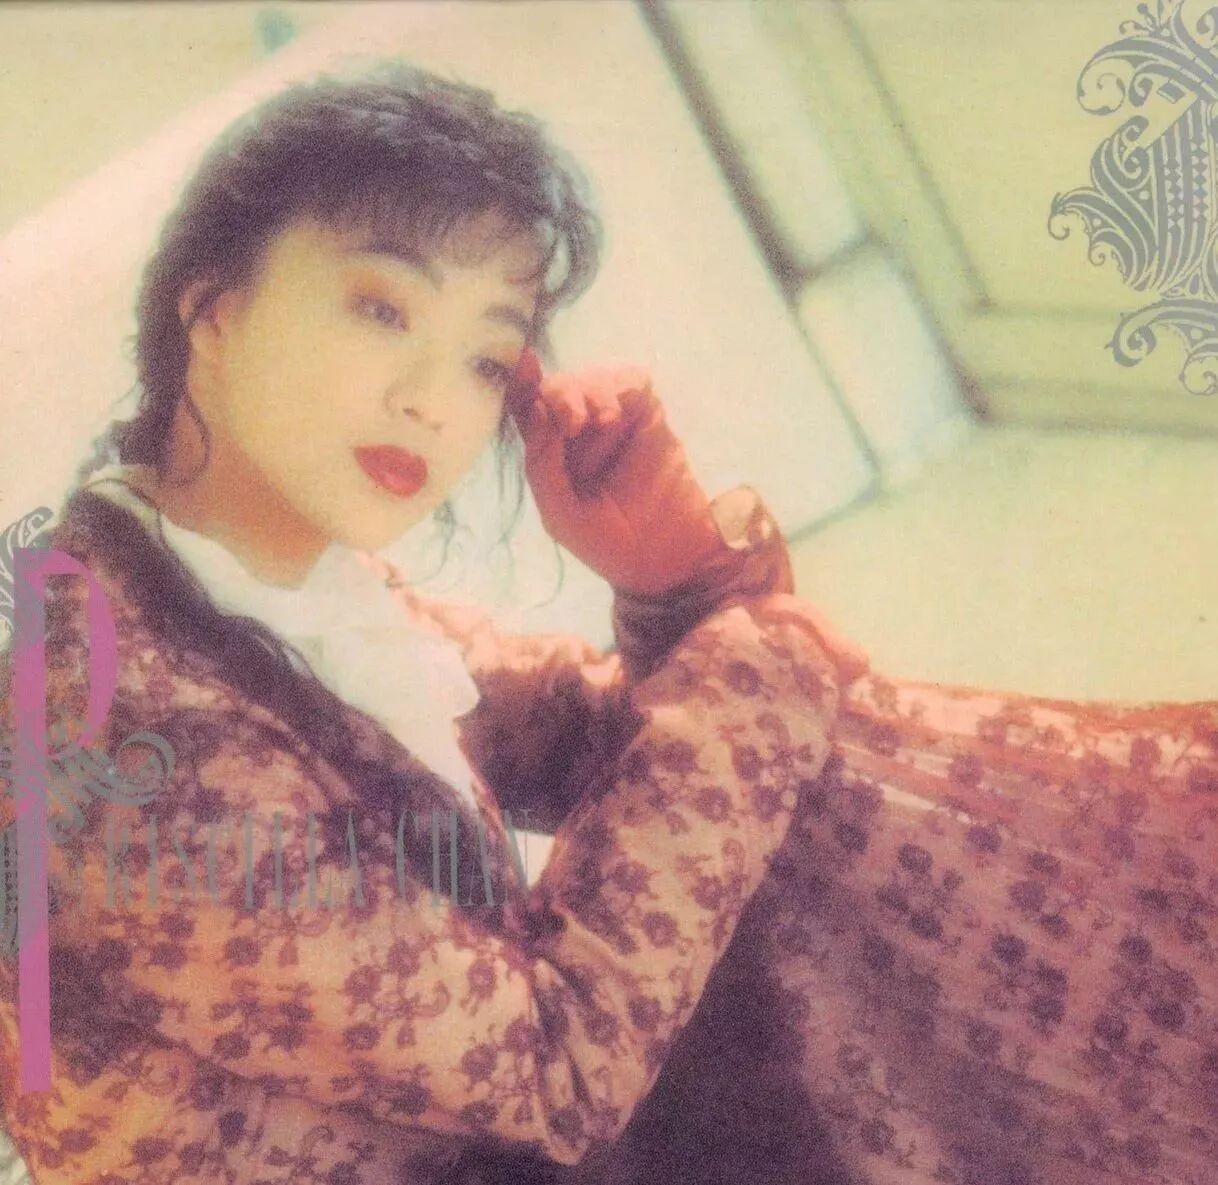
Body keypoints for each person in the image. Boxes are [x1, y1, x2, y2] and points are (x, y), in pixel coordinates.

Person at [0, 61, 849, 1184]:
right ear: (212, 308)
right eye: (382, 309)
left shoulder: (241, 574)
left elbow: (595, 749)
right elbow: (558, 1073)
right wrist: (752, 651)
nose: (433, 400)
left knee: (851, 787)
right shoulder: (120, 726)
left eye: (486, 358)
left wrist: (673, 589)